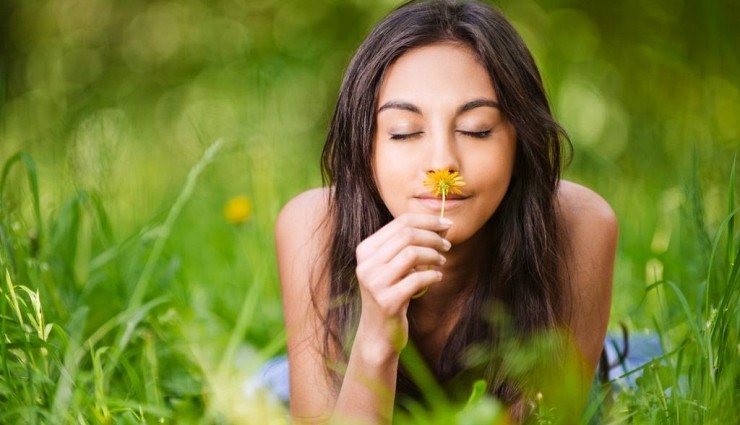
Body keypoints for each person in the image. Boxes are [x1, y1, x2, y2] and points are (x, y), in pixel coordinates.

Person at [275, 0, 617, 423]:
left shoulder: (580, 223)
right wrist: (375, 341)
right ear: (365, 146)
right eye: (404, 132)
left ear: (520, 141)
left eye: (477, 130)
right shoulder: (313, 225)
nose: (442, 162)